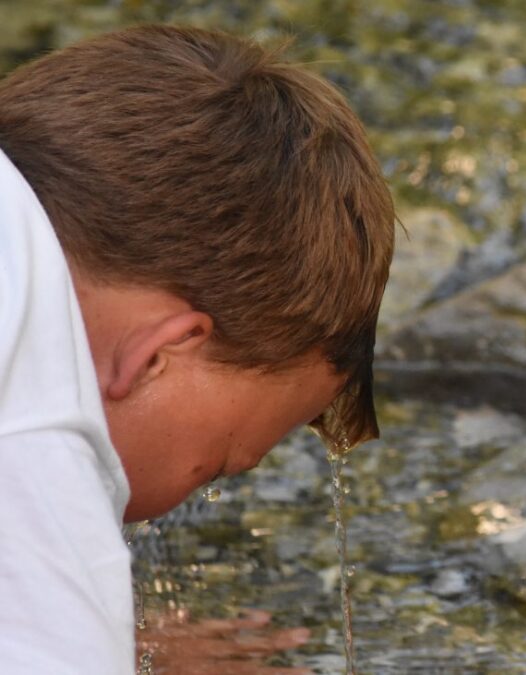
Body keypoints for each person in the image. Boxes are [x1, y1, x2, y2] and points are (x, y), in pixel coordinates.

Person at [0, 24, 395, 673]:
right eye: (217, 463)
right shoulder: (38, 439)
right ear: (160, 354)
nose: (200, 486)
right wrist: (83, 629)